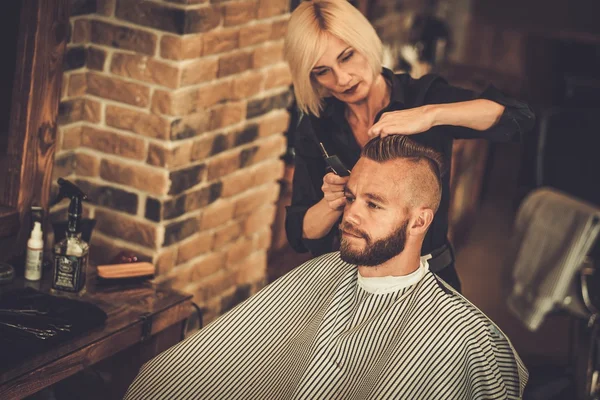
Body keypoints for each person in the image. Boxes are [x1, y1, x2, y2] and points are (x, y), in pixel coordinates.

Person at [124, 136, 527, 400]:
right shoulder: (320, 273)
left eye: (373, 203)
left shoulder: (458, 334)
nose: (350, 215)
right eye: (350, 198)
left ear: (419, 221)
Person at [284, 0, 535, 291]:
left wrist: (430, 114)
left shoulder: (422, 96)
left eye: (347, 56)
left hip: (425, 279)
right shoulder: (317, 125)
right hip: (345, 282)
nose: (341, 79)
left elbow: (519, 117)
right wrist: (331, 204)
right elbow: (300, 234)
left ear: (365, 42)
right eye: (322, 71)